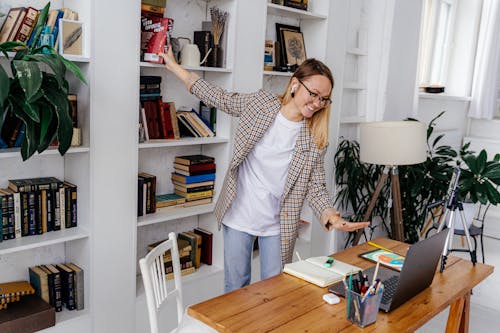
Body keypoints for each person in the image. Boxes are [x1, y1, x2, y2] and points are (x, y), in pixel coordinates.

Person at [159, 49, 369, 292]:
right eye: (313, 94)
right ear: (294, 84)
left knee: (275, 293)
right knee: (236, 289)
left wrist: (332, 216)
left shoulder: (315, 137)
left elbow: (316, 186)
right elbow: (218, 96)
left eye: (324, 99)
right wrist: (174, 66)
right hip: (239, 214)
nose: (317, 103)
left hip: (278, 224)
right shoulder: (260, 105)